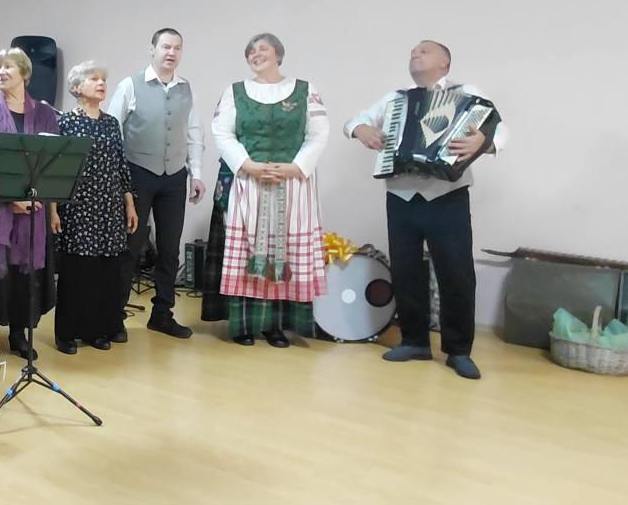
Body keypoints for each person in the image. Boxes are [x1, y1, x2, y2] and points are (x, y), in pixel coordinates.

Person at [344, 39, 510, 380]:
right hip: (401, 196)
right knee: (406, 271)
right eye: (412, 52)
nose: (414, 55)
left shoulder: (468, 94)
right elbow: (354, 122)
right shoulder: (395, 99)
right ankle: (414, 341)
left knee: (456, 274)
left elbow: (500, 128)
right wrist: (361, 130)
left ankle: (459, 350)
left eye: (423, 51)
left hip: (447, 195)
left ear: (444, 62)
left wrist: (483, 142)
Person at [208, 34, 329, 347]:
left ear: (279, 54)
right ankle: (245, 324)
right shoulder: (235, 92)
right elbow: (223, 132)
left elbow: (317, 135)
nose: (255, 53)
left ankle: (276, 325)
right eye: (251, 50)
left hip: (293, 183)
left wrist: (295, 167)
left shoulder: (306, 90)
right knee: (249, 250)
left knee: (284, 250)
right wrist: (247, 165)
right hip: (250, 182)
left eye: (263, 48)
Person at [107, 28, 205, 340]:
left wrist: (197, 173)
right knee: (130, 247)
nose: (171, 52)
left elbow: (194, 132)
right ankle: (114, 316)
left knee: (169, 249)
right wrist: (117, 178)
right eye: (165, 46)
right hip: (137, 173)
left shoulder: (186, 89)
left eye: (177, 48)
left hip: (175, 176)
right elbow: (112, 129)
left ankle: (162, 314)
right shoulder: (130, 85)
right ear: (153, 50)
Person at [0, 48, 61, 359]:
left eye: (8, 66)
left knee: (24, 277)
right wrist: (12, 198)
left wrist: (35, 199)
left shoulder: (46, 114)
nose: (1, 72)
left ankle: (18, 334)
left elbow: (52, 162)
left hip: (33, 212)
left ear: (25, 73)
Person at [51, 61, 138, 354]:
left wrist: (129, 204)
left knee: (106, 272)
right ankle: (67, 333)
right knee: (78, 271)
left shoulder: (111, 123)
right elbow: (55, 171)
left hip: (109, 206)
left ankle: (97, 330)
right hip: (78, 206)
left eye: (103, 79)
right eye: (94, 79)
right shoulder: (65, 122)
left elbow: (121, 166)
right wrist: (52, 209)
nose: (101, 83)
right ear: (77, 87)